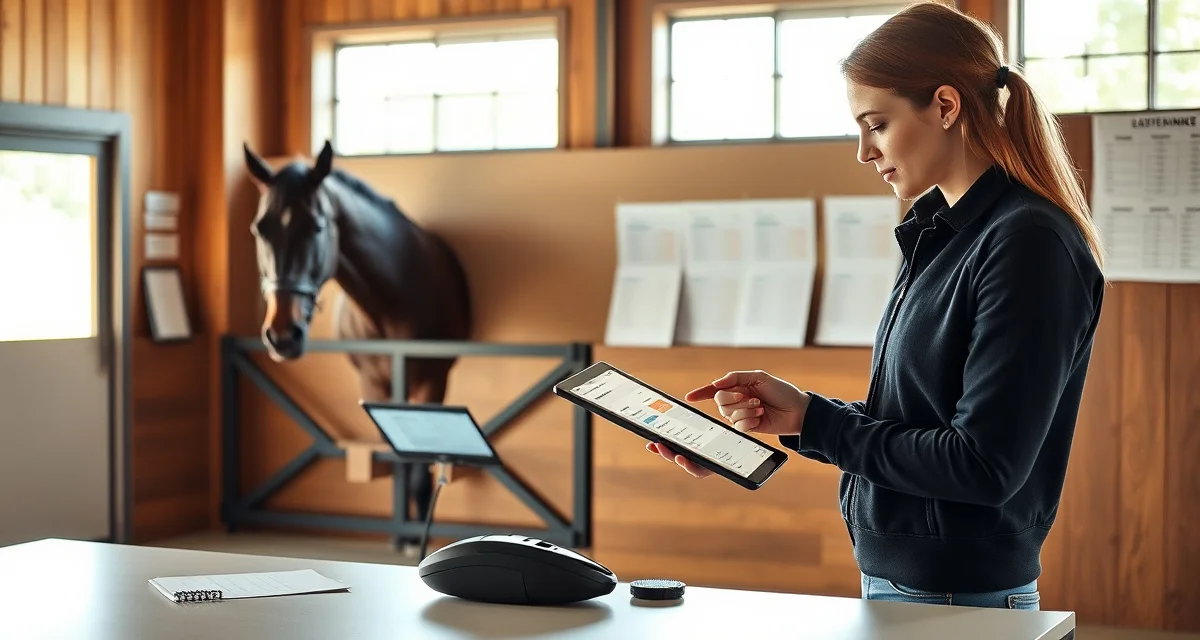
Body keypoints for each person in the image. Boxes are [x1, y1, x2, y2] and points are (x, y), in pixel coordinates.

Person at [647, 1, 1106, 611]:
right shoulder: (939, 232)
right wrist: (798, 415)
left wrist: (819, 424)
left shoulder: (1027, 242)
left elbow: (982, 465)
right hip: (905, 580)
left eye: (877, 124)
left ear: (945, 106)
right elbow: (923, 417)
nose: (864, 151)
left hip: (955, 594)